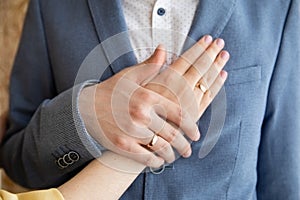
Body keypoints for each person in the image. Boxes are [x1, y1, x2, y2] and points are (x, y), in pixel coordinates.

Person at [0, 0, 299, 199]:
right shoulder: (53, 6)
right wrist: (85, 118)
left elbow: (285, 179)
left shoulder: (279, 7)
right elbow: (19, 162)